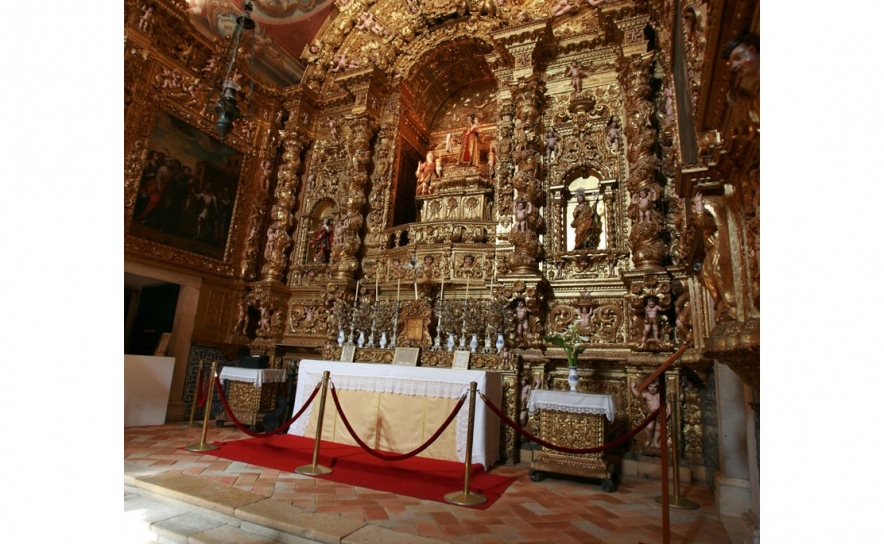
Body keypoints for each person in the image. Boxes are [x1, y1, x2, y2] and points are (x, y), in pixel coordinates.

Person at [631, 378, 667, 449]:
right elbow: (638, 395)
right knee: (649, 427)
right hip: (650, 414)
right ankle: (648, 440)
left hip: (659, 414)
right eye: (650, 386)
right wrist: (632, 388)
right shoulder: (646, 394)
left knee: (658, 428)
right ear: (647, 387)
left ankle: (655, 441)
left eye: (655, 387)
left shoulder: (659, 395)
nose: (653, 389)